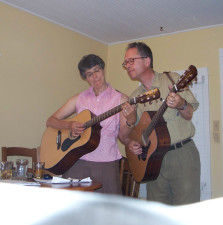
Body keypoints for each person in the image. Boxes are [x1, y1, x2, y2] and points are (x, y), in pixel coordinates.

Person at [46, 54, 136, 194]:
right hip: (76, 161)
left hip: (106, 164)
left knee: (107, 210)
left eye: (97, 70)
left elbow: (124, 135)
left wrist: (131, 121)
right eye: (89, 74)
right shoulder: (79, 98)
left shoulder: (121, 99)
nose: (95, 77)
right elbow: (51, 120)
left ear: (103, 70)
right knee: (73, 209)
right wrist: (69, 126)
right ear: (85, 78)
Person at [123, 42, 200, 205]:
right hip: (152, 161)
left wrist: (181, 104)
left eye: (131, 60)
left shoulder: (172, 79)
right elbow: (136, 134)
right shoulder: (135, 96)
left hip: (181, 155)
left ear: (147, 61)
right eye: (126, 62)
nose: (127, 66)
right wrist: (132, 136)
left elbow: (189, 114)